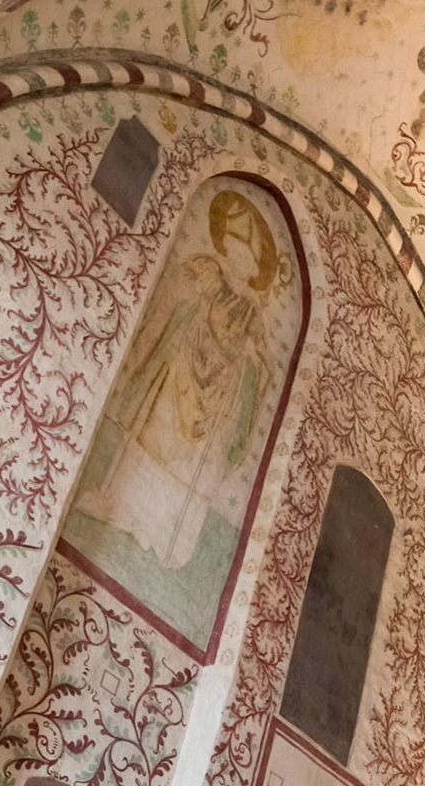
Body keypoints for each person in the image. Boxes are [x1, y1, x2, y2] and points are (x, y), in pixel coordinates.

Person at [82, 188, 280, 569]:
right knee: (152, 436)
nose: (237, 258)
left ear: (256, 269)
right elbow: (174, 296)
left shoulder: (253, 314)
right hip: (178, 378)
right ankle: (116, 506)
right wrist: (193, 295)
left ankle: (166, 539)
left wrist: (251, 360)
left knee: (189, 471)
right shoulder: (205, 271)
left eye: (247, 256)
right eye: (234, 247)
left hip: (217, 405)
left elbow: (262, 367)